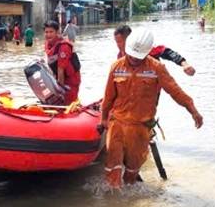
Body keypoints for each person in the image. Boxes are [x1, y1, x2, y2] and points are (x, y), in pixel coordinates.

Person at [100, 28, 203, 188]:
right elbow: (108, 97)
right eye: (131, 55)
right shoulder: (116, 66)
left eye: (138, 56)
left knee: (132, 173)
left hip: (140, 127)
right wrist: (103, 119)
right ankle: (113, 202)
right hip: (117, 124)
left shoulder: (157, 68)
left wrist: (193, 110)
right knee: (112, 169)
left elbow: (175, 91)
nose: (134, 59)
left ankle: (130, 199)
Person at [113, 25, 195, 76]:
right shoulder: (120, 56)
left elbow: (167, 52)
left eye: (120, 42)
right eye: (116, 42)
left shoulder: (144, 48)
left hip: (150, 86)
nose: (118, 45)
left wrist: (185, 64)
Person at [44, 20, 81, 104]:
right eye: (46, 32)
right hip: (57, 77)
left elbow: (60, 70)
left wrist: (60, 92)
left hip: (70, 80)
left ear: (57, 32)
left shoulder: (64, 46)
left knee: (67, 103)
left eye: (51, 32)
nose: (48, 35)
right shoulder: (48, 44)